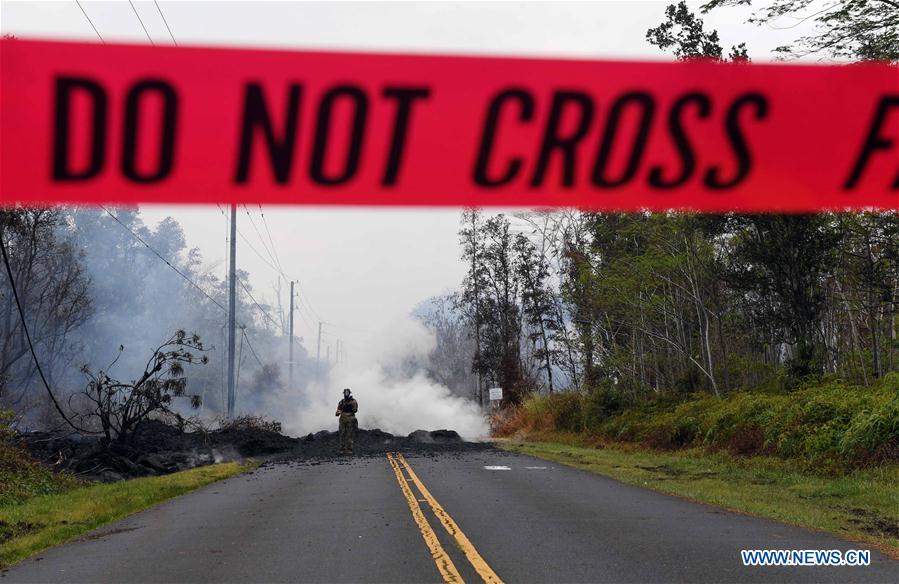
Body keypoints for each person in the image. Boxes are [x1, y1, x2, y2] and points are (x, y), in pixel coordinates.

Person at [335, 388, 358, 455]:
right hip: (342, 419)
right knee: (342, 434)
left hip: (350, 418)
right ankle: (341, 449)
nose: (346, 394)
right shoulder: (341, 402)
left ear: (349, 393)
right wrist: (339, 412)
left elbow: (355, 410)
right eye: (345, 393)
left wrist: (350, 408)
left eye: (347, 392)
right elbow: (338, 411)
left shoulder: (353, 401)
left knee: (349, 435)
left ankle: (349, 450)